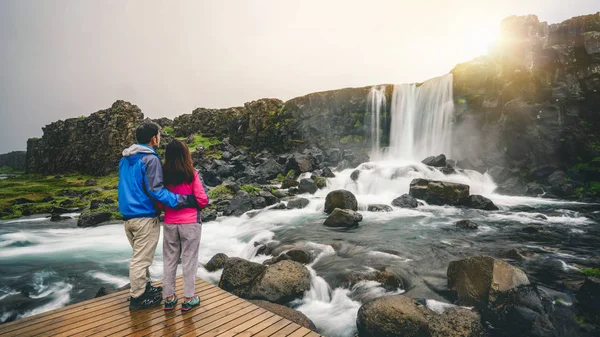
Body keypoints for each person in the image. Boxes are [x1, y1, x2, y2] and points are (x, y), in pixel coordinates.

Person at [118, 122, 197, 310]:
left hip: (128, 216)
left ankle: (144, 287)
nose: (160, 138)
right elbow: (156, 191)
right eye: (159, 135)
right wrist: (183, 200)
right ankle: (137, 298)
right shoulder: (150, 159)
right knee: (141, 259)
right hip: (144, 216)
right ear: (154, 138)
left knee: (140, 255)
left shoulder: (125, 159)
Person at [160, 139, 209, 312]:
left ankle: (169, 298)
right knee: (189, 260)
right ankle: (188, 299)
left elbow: (159, 200)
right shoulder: (191, 173)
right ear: (185, 154)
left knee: (169, 260)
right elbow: (203, 200)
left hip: (170, 223)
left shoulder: (163, 175)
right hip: (190, 223)